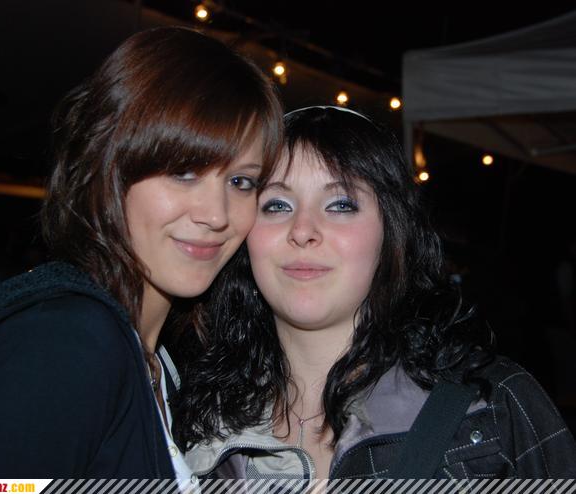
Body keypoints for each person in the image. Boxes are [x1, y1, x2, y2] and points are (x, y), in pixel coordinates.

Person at [174, 106, 576, 481]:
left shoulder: (496, 409)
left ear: (391, 232)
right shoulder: (196, 427)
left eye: (341, 204)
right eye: (277, 205)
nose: (303, 230)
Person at [0, 26, 282, 478]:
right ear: (110, 169)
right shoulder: (65, 343)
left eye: (241, 181)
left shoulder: (156, 362)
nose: (216, 214)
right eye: (184, 172)